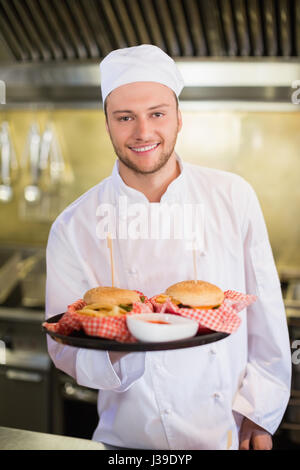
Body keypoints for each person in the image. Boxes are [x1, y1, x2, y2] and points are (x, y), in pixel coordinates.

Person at [45, 44, 291, 450]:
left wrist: (258, 414)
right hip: (126, 442)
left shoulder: (232, 196)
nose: (143, 132)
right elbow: (63, 346)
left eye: (157, 114)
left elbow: (265, 318)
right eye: (125, 117)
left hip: (225, 433)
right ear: (107, 123)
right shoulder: (74, 225)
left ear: (179, 118)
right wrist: (130, 336)